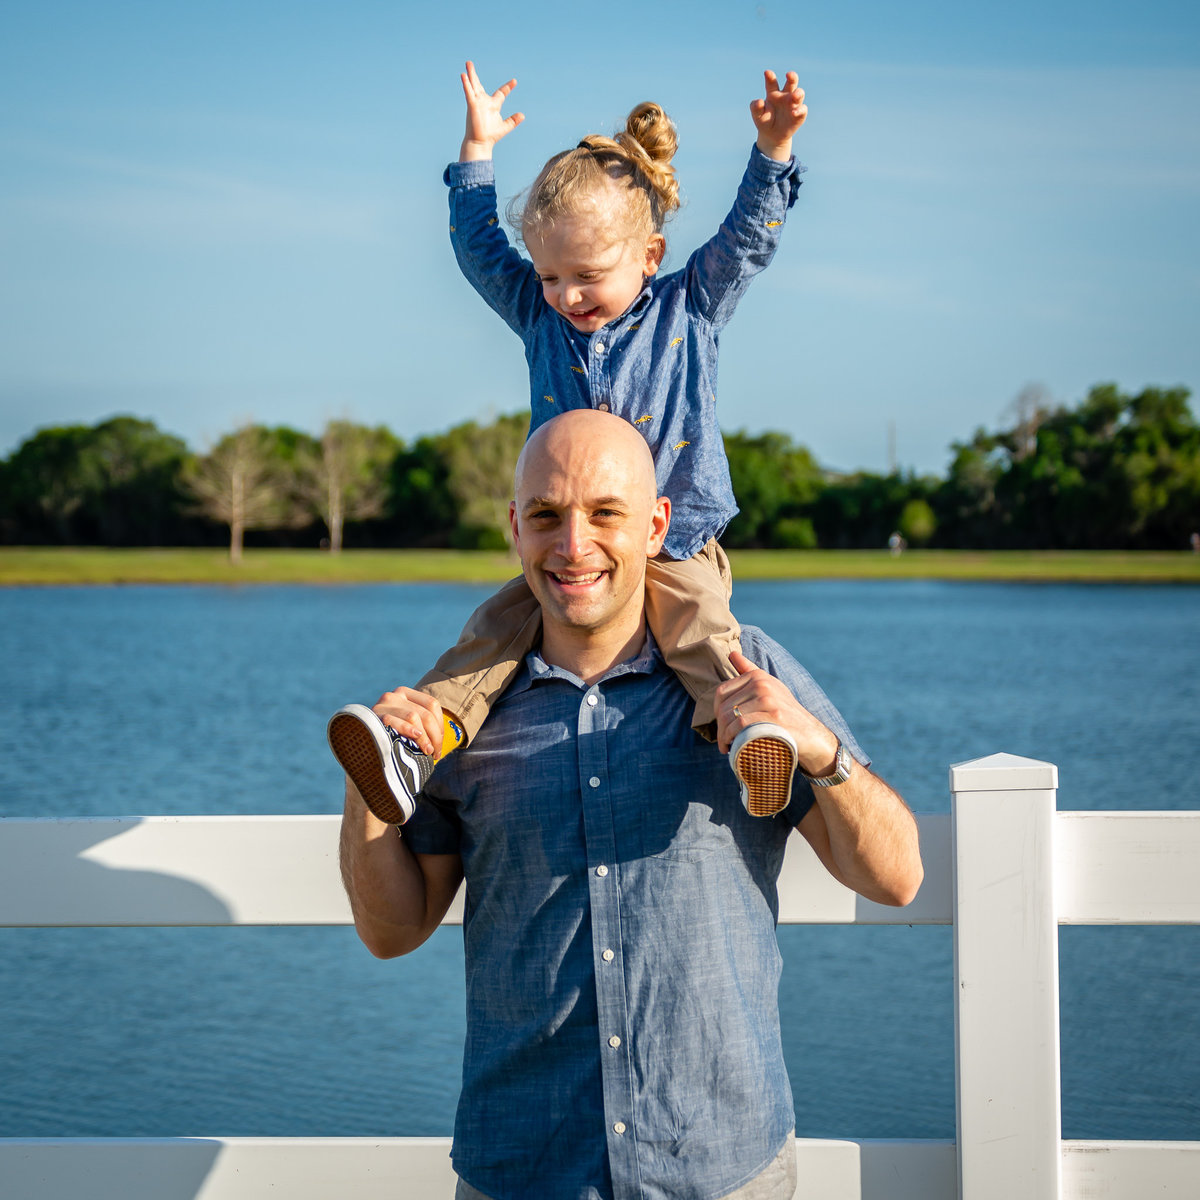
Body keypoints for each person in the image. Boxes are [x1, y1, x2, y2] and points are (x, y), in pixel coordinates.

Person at [339, 410, 924, 1200]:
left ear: (656, 526)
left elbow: (895, 876)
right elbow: (391, 930)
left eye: (604, 513)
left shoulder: (743, 682)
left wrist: (820, 750)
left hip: (720, 1167)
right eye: (546, 515)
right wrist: (368, 781)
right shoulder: (459, 716)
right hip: (523, 1167)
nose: (573, 545)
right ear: (515, 526)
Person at [328, 60, 810, 826]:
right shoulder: (541, 319)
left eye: (585, 276)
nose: (565, 296)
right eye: (550, 276)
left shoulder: (691, 304)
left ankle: (752, 736)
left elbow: (749, 237)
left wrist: (774, 149)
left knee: (703, 636)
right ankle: (416, 745)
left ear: (649, 256)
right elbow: (481, 251)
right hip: (568, 549)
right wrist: (476, 153)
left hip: (675, 542)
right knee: (494, 631)